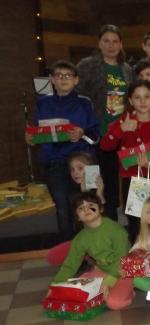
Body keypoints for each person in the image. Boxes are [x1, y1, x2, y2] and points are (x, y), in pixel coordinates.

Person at [26, 60, 98, 241]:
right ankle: (70, 251)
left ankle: (94, 248)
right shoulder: (42, 103)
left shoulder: (85, 102)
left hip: (84, 162)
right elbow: (35, 132)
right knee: (63, 208)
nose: (63, 79)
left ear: (76, 80)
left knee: (88, 205)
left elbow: (96, 134)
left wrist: (82, 133)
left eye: (68, 76)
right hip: (55, 162)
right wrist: (30, 138)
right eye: (59, 76)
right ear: (51, 79)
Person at [100, 80, 150, 242]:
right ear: (130, 101)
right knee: (135, 224)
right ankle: (137, 261)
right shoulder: (123, 123)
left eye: (147, 96)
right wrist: (121, 129)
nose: (143, 101)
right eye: (137, 97)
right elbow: (105, 145)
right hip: (131, 181)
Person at [76, 24, 133, 220]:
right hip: (94, 136)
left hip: (121, 135)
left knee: (114, 184)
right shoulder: (87, 66)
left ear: (121, 44)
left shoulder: (126, 69)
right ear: (99, 43)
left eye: (115, 41)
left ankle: (115, 226)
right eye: (106, 41)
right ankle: (94, 227)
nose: (111, 45)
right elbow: (79, 99)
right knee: (93, 184)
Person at [49, 192, 131, 310]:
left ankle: (128, 292)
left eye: (90, 205)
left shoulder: (116, 230)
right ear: (77, 216)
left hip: (124, 270)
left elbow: (122, 258)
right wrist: (55, 286)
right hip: (102, 270)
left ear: (100, 208)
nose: (86, 209)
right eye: (81, 208)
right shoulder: (81, 238)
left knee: (114, 303)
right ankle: (101, 284)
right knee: (78, 293)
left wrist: (108, 282)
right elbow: (70, 265)